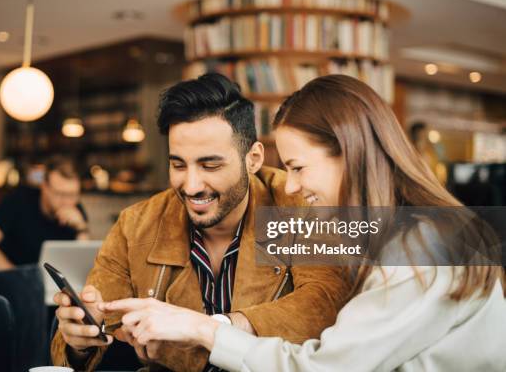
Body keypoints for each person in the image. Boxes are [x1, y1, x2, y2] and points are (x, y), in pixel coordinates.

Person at [102, 75, 506, 372]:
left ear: (349, 153)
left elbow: (321, 362)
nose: (291, 183)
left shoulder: (421, 249)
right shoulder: (406, 233)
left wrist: (206, 329)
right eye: (178, 164)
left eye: (297, 167)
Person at [51, 73, 351, 371]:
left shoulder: (300, 203)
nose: (192, 185)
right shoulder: (136, 225)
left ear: (253, 159)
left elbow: (322, 303)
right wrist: (79, 340)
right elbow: (92, 328)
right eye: (178, 164)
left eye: (210, 165)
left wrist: (214, 328)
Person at [0, 160, 89, 269]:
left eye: (72, 195)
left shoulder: (76, 209)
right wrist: (16, 277)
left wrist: (81, 228)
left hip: (52, 286)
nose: (67, 201)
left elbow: (82, 266)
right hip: (11, 280)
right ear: (44, 187)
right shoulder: (19, 200)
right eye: (59, 194)